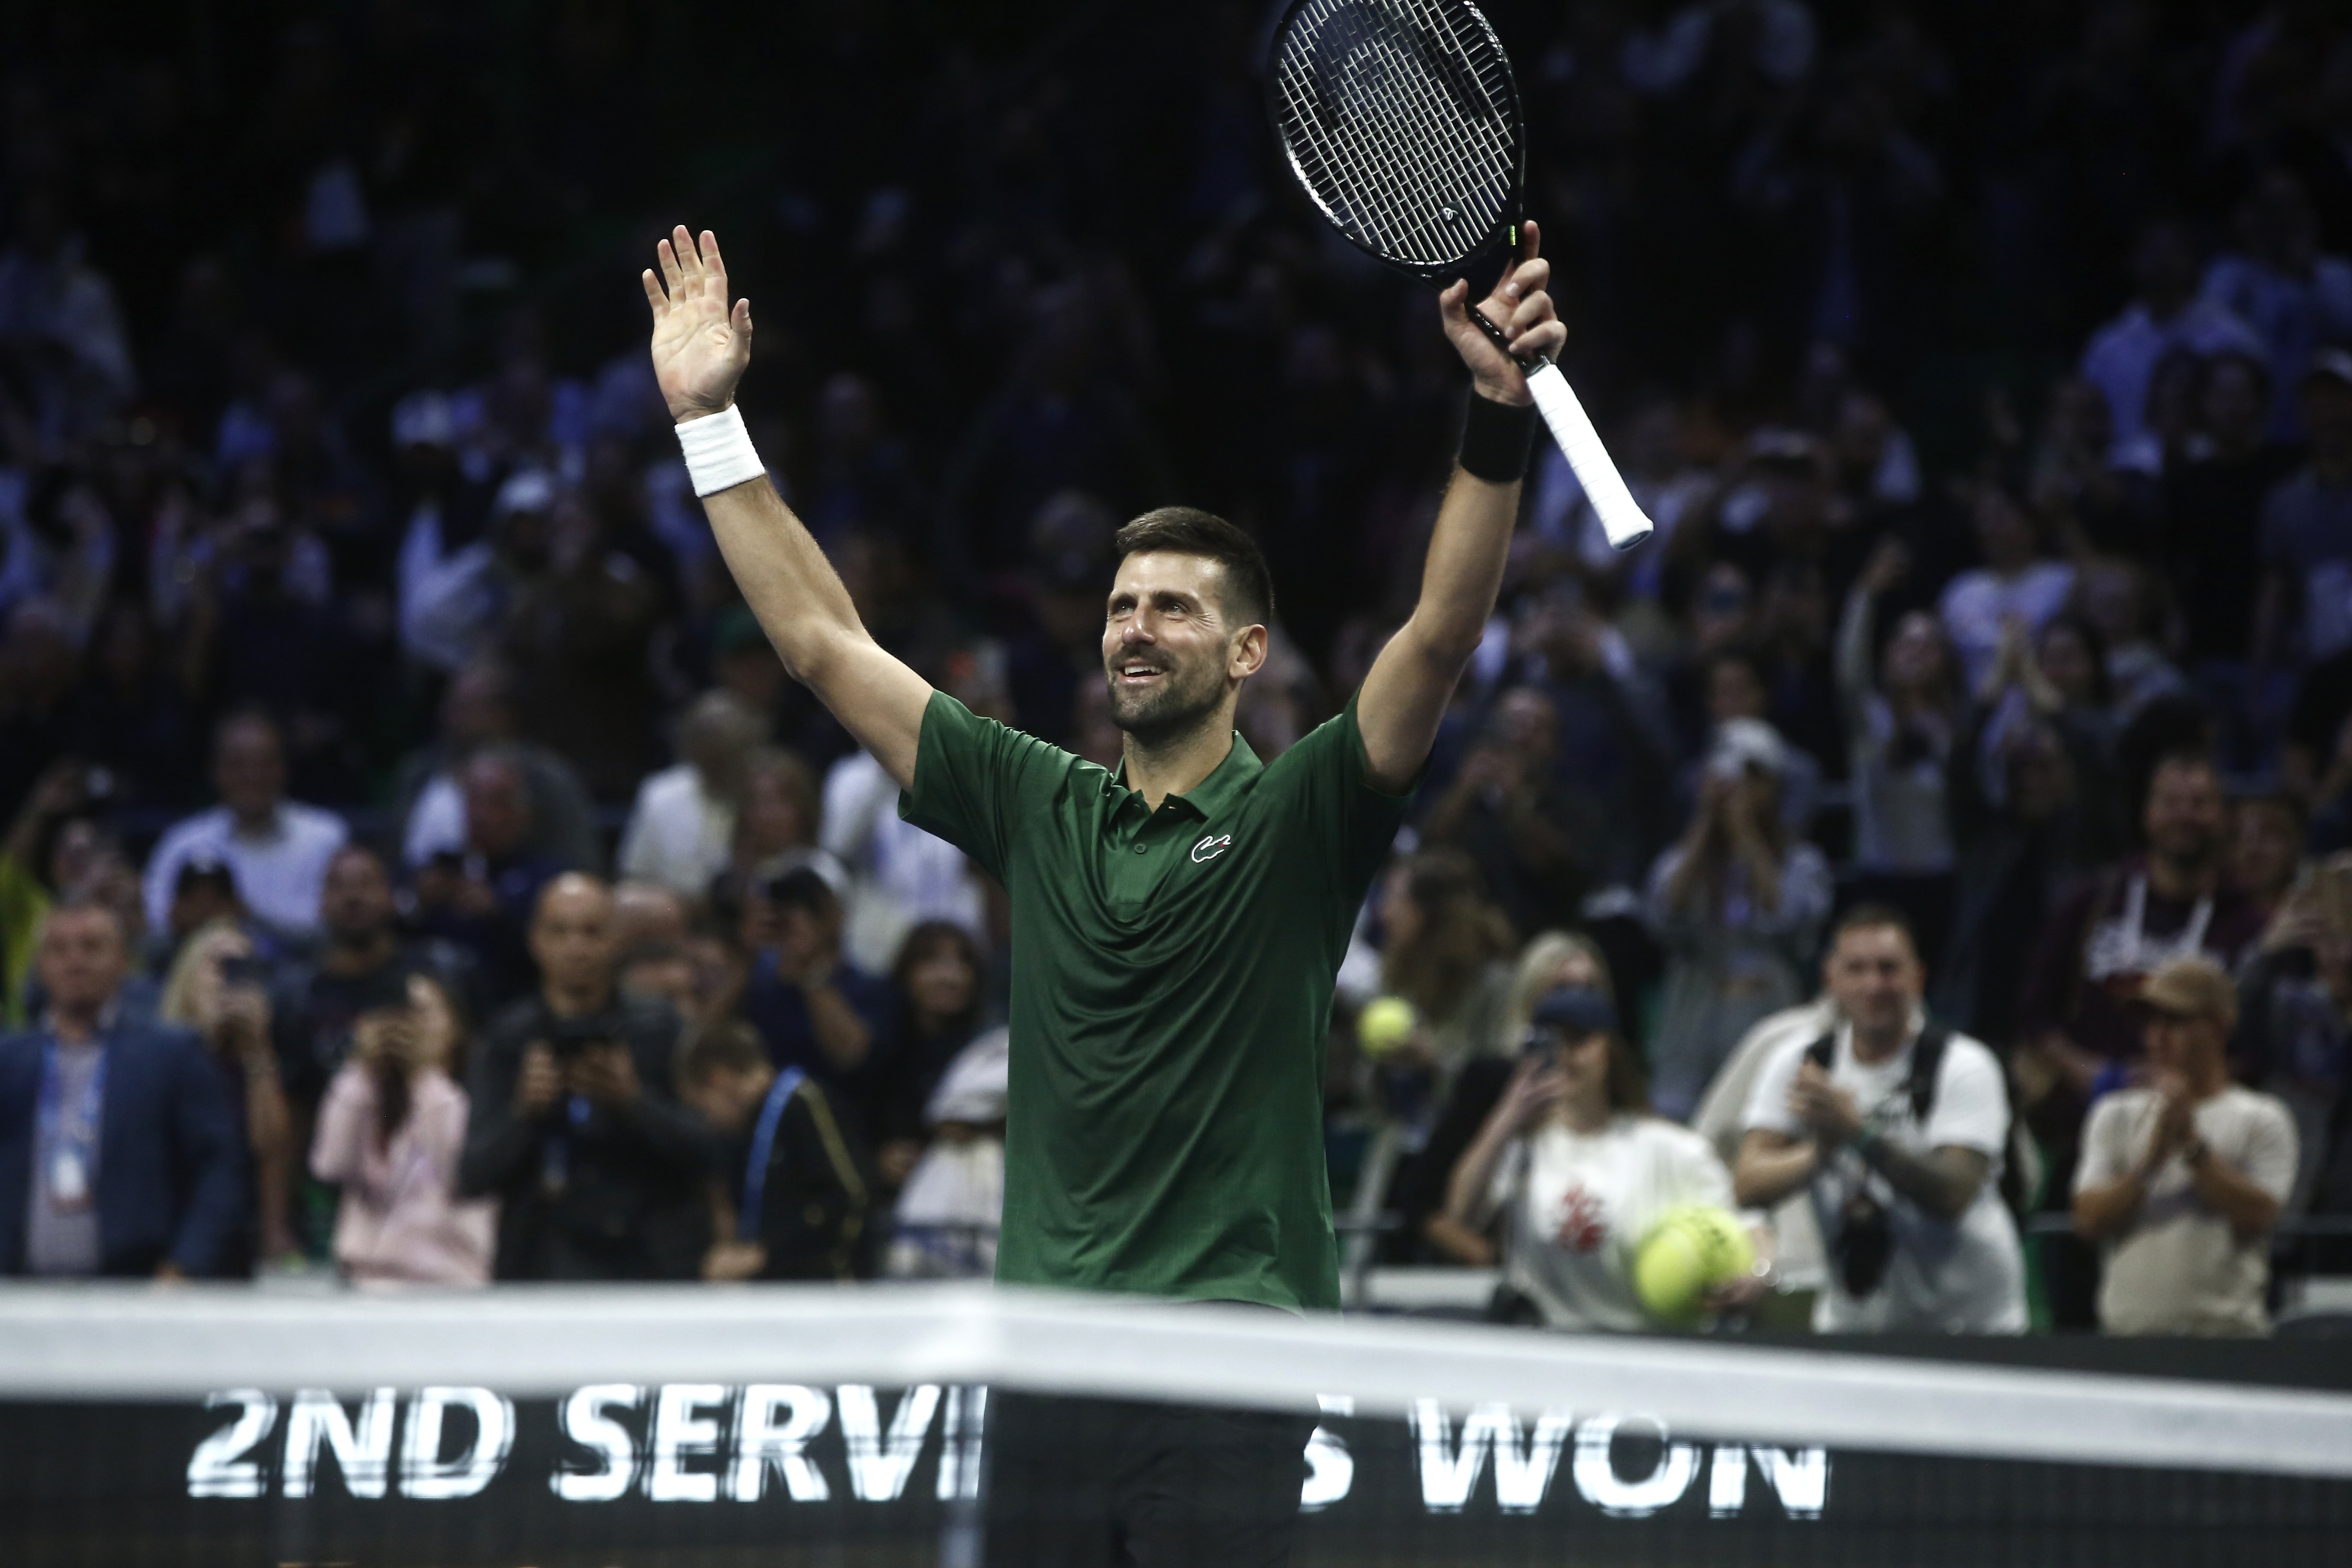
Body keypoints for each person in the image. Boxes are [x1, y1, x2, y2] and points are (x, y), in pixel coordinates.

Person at [644, 219, 1562, 1563]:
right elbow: (821, 642)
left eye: (1172, 609)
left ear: (1248, 651)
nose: (1133, 627)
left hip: (1226, 1364)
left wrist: (1494, 415)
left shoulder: (1303, 816)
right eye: (1123, 606)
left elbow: (1440, 635)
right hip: (1047, 1361)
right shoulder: (1039, 802)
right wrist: (711, 422)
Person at [1735, 907, 2027, 1334]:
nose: (1873, 985)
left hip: (1971, 1322)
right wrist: (1821, 1151)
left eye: (1889, 969)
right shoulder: (1802, 1064)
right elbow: (1748, 1183)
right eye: (1856, 969)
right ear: (1830, 979)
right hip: (1854, 1322)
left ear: (1917, 978)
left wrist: (1858, 1133)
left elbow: (1954, 1192)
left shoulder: (1962, 1064)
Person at [1443, 986, 1758, 1330]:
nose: (1564, 1055)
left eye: (1578, 1040)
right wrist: (1505, 1119)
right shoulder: (1522, 1150)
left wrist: (1758, 1273)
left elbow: (1745, 1227)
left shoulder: (1671, 1147)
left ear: (1609, 1050)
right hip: (1543, 1343)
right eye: (1549, 1043)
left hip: (1646, 1344)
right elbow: (1462, 1214)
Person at [455, 874, 714, 1279]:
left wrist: (633, 1101)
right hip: (540, 1263)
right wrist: (525, 1112)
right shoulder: (508, 1039)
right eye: (559, 932)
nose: (576, 948)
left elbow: (710, 1149)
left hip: (647, 1264)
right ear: (535, 941)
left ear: (616, 940)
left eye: (592, 932)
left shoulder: (660, 1029)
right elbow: (472, 1176)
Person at [0, 901, 244, 1277]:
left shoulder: (170, 1054)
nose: (75, 961)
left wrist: (185, 1265)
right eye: (59, 949)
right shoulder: (9, 1060)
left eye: (92, 946)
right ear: (39, 964)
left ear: (123, 960)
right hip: (17, 1288)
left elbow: (219, 1169)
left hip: (139, 1289)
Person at [2073, 957, 2297, 1336]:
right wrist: (2151, 1160)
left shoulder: (2262, 1117)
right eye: (2151, 1022)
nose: (2156, 1036)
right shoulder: (2115, 1114)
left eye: (2174, 1022)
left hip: (2227, 1339)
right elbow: (2089, 1219)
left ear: (2217, 1027)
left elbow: (2259, 1216)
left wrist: (2193, 1150)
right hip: (2126, 1336)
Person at [1644, 717, 1834, 1121]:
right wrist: (1705, 824)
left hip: (1766, 1003)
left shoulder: (1801, 862)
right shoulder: (1684, 856)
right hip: (1695, 1007)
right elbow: (1663, 913)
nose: (1739, 790)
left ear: (1773, 788)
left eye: (1753, 778)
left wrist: (1745, 833)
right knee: (1678, 1115)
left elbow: (1790, 923)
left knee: (1761, 1115)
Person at [308, 973, 495, 1286]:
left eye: (422, 1012)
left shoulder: (469, 1098)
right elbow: (330, 1166)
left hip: (454, 1281)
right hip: (370, 1281)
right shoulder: (361, 1091)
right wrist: (362, 1071)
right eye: (399, 1014)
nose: (408, 1026)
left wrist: (424, 1078)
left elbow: (459, 1176)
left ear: (455, 1026)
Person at [678, 1018, 873, 1282]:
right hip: (784, 1295)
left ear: (719, 1079)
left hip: (828, 1295)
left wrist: (762, 1256)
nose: (709, 1121)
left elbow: (851, 1196)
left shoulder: (805, 1103)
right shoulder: (754, 1127)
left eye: (702, 1108)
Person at [158, 919, 297, 1268]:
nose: (229, 980)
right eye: (221, 965)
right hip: (167, 1230)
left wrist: (258, 1050)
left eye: (243, 969)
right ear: (188, 977)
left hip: (238, 1233)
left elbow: (271, 1150)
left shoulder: (256, 1058)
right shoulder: (154, 1053)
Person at [141, 712, 348, 945]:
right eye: (237, 764)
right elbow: (154, 920)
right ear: (215, 771)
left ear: (284, 767)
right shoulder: (182, 843)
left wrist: (245, 917)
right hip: (203, 970)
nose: (252, 776)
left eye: (264, 762)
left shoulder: (324, 837)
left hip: (304, 973)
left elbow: (339, 921)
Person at [618, 688, 768, 898]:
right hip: (674, 914)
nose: (717, 762)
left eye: (727, 756)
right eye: (709, 755)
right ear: (691, 747)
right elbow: (634, 876)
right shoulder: (660, 794)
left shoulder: (766, 795)